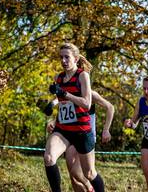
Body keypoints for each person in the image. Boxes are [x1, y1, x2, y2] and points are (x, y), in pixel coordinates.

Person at [43, 43, 104, 192]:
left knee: (89, 173)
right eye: (61, 57)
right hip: (63, 129)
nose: (63, 61)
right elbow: (63, 103)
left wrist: (65, 94)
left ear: (75, 59)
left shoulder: (83, 76)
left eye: (67, 57)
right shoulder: (58, 77)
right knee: (49, 158)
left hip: (81, 131)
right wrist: (52, 105)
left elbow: (86, 103)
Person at [46, 90, 114, 192]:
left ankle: (90, 187)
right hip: (69, 135)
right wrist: (54, 122)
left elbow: (110, 107)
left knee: (77, 172)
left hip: (85, 136)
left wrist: (106, 130)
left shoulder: (90, 94)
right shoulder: (66, 91)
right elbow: (66, 112)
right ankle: (87, 188)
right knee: (73, 176)